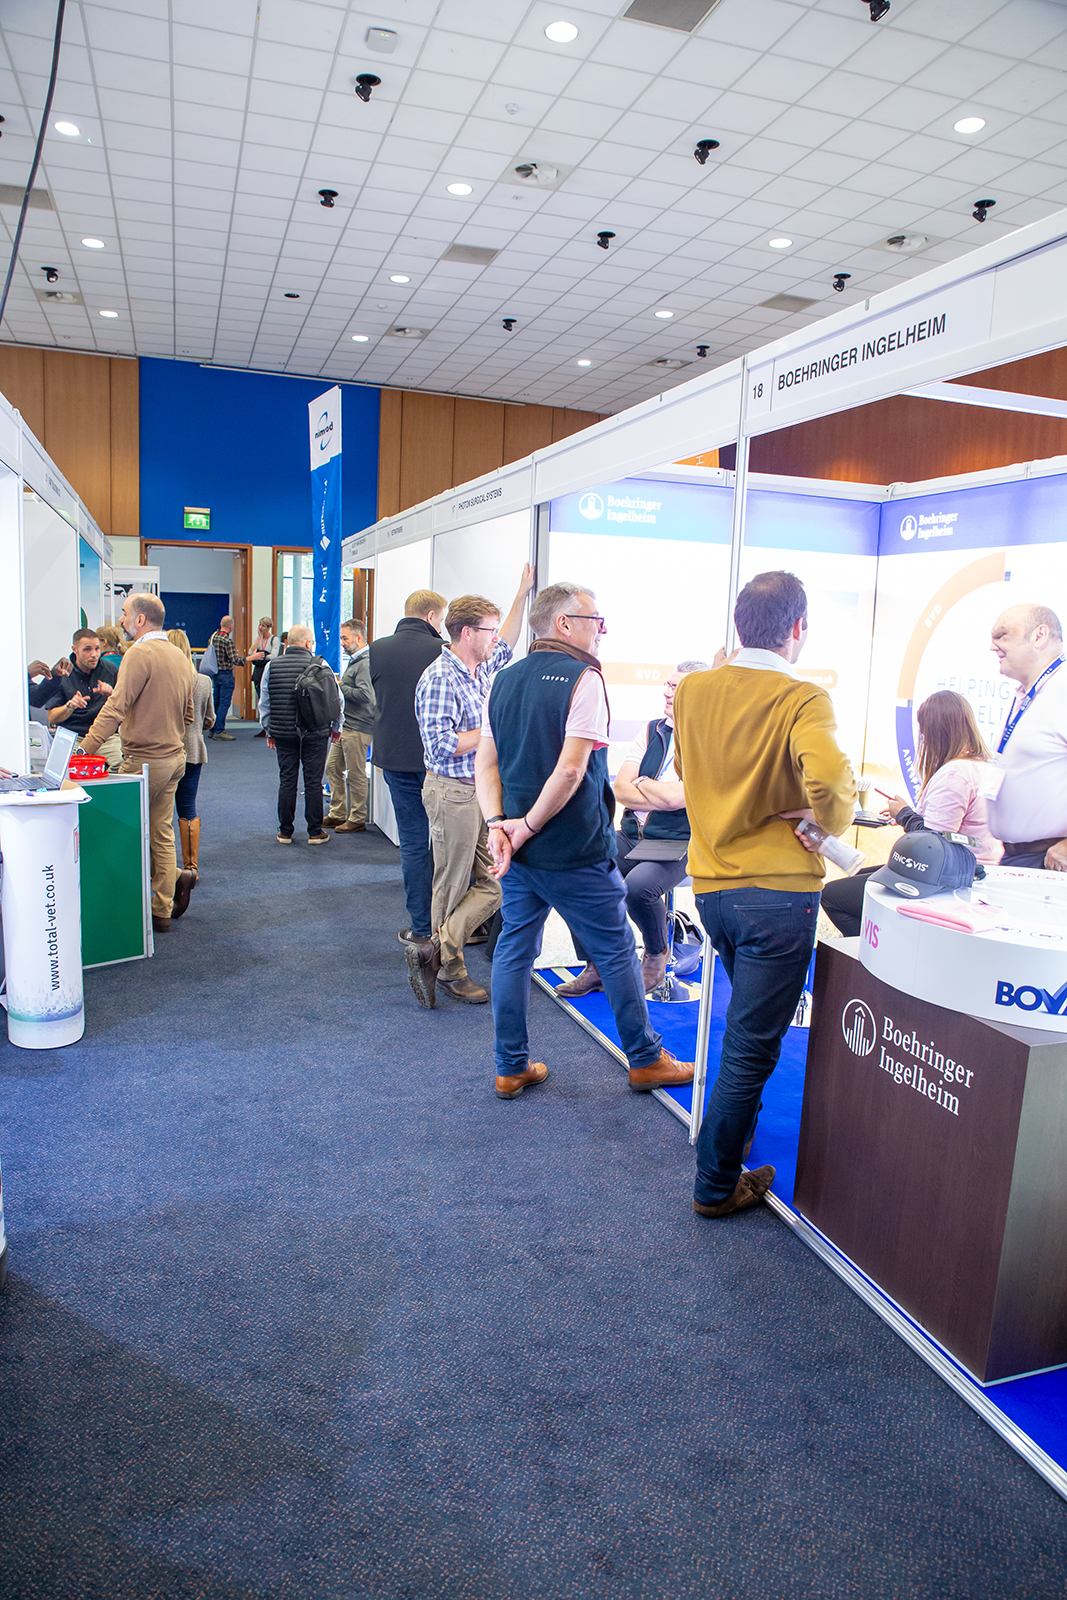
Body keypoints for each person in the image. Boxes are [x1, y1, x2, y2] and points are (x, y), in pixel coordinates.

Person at [672, 571, 855, 1219]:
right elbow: (830, 783)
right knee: (751, 1045)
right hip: (777, 895)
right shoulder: (803, 697)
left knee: (746, 1032)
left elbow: (686, 770)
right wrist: (824, 821)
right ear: (797, 628)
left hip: (713, 889)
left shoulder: (694, 689)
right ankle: (715, 1184)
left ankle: (736, 1134)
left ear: (739, 623)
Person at [475, 581, 695, 1100]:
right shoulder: (585, 679)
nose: (602, 630)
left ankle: (510, 1066)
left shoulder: (502, 679)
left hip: (519, 849)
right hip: (573, 849)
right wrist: (526, 826)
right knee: (616, 950)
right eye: (596, 621)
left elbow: (486, 765)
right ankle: (645, 1059)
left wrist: (500, 826)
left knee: (514, 951)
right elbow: (572, 772)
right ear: (564, 624)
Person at [407, 570, 534, 1009]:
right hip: (452, 792)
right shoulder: (441, 678)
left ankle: (434, 950)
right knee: (451, 884)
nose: (496, 637)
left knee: (495, 883)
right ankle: (450, 971)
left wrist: (521, 593)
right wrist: (492, 732)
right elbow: (440, 745)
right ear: (466, 633)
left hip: (479, 793)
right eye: (489, 630)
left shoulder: (479, 667)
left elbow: (509, 642)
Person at [559, 658, 707, 1000]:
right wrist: (657, 792)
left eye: (676, 687)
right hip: (631, 835)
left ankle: (656, 955)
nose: (666, 692)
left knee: (637, 888)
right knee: (573, 869)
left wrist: (645, 784)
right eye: (668, 684)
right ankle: (596, 965)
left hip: (677, 840)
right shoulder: (652, 729)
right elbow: (621, 789)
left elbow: (679, 799)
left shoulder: (711, 738)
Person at [821, 690, 1002, 938]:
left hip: (946, 879)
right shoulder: (982, 767)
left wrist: (905, 815)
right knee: (862, 876)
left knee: (833, 896)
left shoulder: (955, 773)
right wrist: (907, 816)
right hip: (974, 872)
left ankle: (884, 949)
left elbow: (933, 847)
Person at [81, 593, 198, 932]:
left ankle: (123, 912)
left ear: (140, 619)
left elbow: (115, 709)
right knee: (161, 832)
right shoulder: (179, 656)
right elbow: (189, 714)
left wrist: (85, 750)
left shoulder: (138, 654)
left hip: (145, 760)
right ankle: (162, 909)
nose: (121, 619)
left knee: (123, 832)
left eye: (124, 613)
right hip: (175, 758)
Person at [369, 589, 447, 945]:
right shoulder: (442, 650)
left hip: (394, 757)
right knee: (449, 844)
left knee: (413, 843)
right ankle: (452, 924)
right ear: (431, 616)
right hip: (437, 760)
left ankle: (421, 927)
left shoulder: (378, 648)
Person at [986, 604, 1066, 872]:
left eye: (1002, 635)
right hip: (1017, 857)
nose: (992, 646)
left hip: (1048, 861)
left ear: (1039, 635)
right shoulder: (1029, 693)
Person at [259, 622, 342, 844]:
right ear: (307, 643)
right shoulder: (321, 664)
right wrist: (336, 727)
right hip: (316, 732)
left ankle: (285, 831)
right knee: (313, 782)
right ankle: (315, 832)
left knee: (287, 780)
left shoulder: (272, 666)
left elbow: (265, 703)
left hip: (284, 732)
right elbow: (336, 700)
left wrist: (269, 730)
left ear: (288, 643)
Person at [168, 628, 214, 879]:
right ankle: (191, 867)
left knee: (161, 810)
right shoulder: (203, 682)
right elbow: (210, 719)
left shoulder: (161, 682)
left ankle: (161, 866)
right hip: (194, 750)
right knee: (187, 806)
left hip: (165, 751)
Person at [323, 618, 375, 834]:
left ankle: (357, 818)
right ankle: (337, 813)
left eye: (345, 638)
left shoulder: (365, 663)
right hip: (347, 725)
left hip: (358, 727)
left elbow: (365, 695)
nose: (342, 643)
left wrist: (339, 686)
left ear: (358, 637)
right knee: (332, 768)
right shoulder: (356, 661)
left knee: (355, 774)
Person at [43, 629, 122, 768]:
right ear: (75, 650)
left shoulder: (110, 670)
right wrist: (70, 706)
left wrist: (112, 694)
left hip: (105, 735)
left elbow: (126, 707)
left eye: (97, 649)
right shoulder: (62, 673)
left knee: (122, 764)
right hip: (73, 736)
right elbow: (52, 718)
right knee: (65, 768)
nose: (94, 654)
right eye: (87, 649)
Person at [208, 615, 244, 740]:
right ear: (231, 626)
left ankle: (212, 729)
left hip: (216, 673)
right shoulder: (227, 640)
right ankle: (219, 731)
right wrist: (250, 658)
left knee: (216, 703)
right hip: (226, 674)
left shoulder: (213, 637)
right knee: (224, 703)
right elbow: (236, 660)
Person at [248, 616, 279, 738]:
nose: (260, 628)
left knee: (268, 698)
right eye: (260, 625)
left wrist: (261, 656)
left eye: (263, 626)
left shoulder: (274, 640)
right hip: (258, 672)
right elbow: (250, 652)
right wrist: (259, 638)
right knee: (260, 698)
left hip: (268, 670)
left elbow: (274, 656)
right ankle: (263, 726)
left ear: (269, 627)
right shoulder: (259, 639)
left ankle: (271, 725)